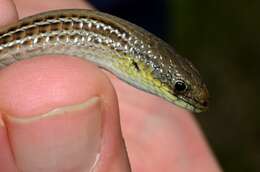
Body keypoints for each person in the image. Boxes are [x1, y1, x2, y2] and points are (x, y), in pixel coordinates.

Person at [0, 0, 222, 171]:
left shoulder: (126, 50)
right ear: (140, 65)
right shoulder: (125, 51)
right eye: (179, 87)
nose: (191, 96)